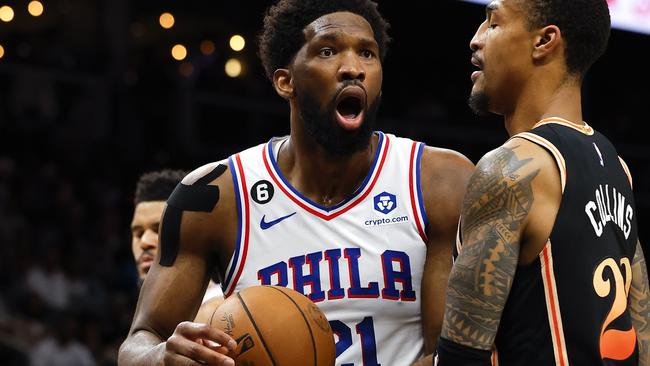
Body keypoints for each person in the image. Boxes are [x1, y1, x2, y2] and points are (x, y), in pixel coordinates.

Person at [119, 1, 474, 365]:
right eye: (328, 50)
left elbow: (448, 356)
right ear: (285, 82)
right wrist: (161, 357)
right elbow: (137, 344)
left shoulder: (438, 181)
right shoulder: (216, 197)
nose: (353, 68)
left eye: (367, 53)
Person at [435, 0, 650, 365]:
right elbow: (641, 333)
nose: (475, 39)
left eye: (493, 23)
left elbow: (461, 355)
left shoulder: (511, 170)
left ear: (544, 41)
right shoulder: (617, 167)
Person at [130, 169, 224, 305]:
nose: (144, 242)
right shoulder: (150, 320)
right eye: (138, 234)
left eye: (159, 229)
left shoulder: (227, 312)